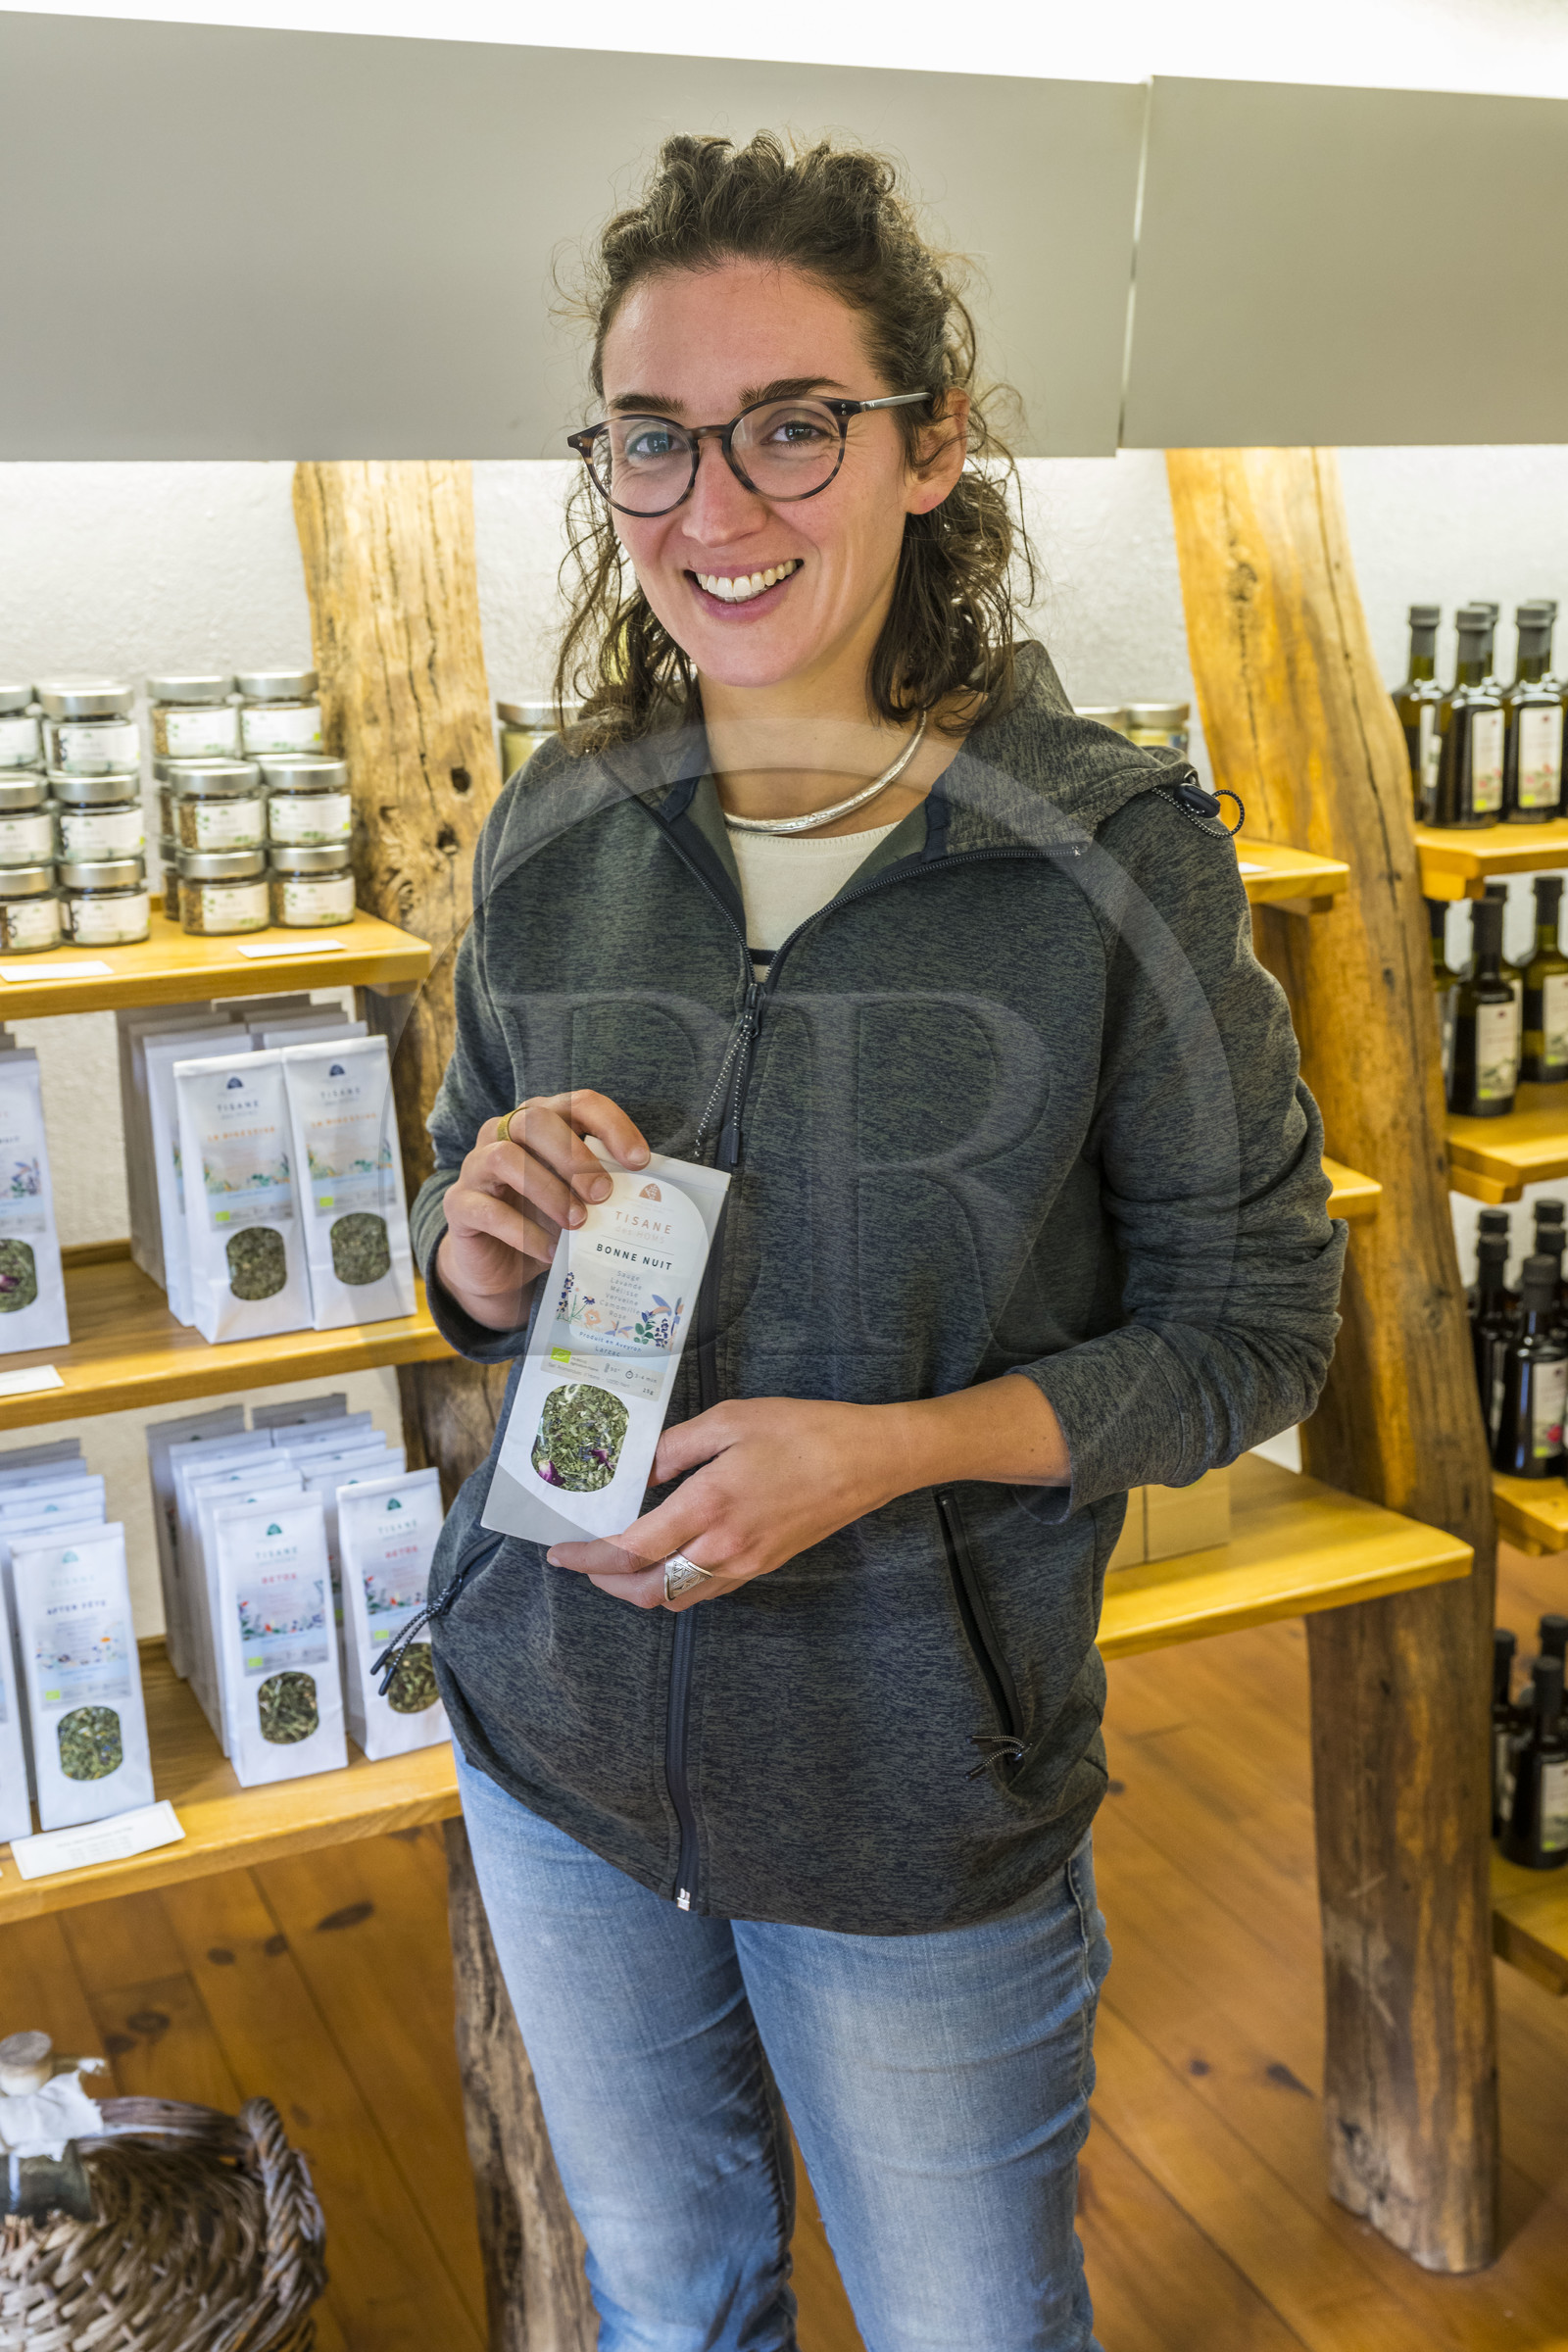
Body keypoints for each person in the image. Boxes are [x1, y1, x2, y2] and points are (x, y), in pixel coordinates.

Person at [409, 131, 1345, 2352]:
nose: (712, 505)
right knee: (669, 2302)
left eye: (792, 425)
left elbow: (1254, 1326)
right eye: (653, 438)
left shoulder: (1107, 857)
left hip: (910, 1788)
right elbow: (460, 1240)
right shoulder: (557, 826)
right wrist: (477, 1248)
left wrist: (895, 1452)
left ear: (930, 448)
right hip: (550, 1743)